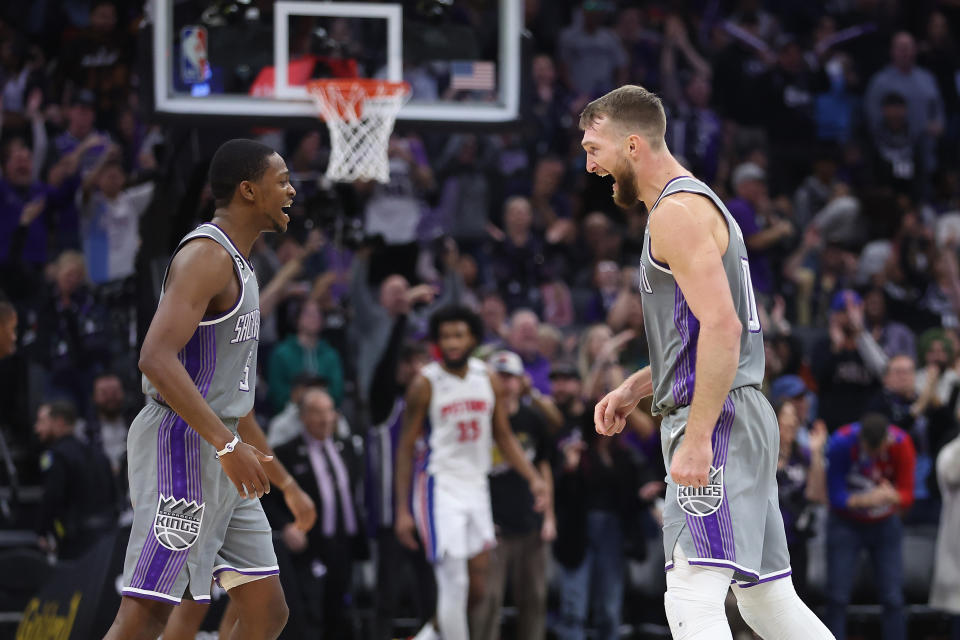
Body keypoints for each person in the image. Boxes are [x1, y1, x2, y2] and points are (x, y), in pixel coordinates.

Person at [584, 85, 833, 639]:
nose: (590, 164)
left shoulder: (675, 214)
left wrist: (697, 438)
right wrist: (636, 387)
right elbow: (709, 335)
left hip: (715, 417)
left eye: (594, 149)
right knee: (767, 598)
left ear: (631, 145)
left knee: (692, 596)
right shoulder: (696, 203)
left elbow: (722, 329)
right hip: (737, 409)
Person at [105, 139, 300, 640]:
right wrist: (227, 444)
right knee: (148, 612)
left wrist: (253, 455)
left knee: (266, 609)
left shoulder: (241, 262)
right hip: (181, 446)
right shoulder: (206, 256)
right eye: (281, 181)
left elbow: (230, 389)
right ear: (248, 190)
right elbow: (154, 357)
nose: (291, 191)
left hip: (222, 447)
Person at [394, 305, 549, 640]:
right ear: (437, 340)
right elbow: (405, 449)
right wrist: (402, 510)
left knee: (477, 588)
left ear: (473, 339)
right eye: (446, 335)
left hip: (477, 487)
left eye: (459, 335)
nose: (452, 342)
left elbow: (504, 436)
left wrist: (534, 478)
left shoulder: (487, 377)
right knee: (455, 583)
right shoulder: (425, 383)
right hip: (439, 486)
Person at [267, 388, 366, 639]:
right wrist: (287, 526)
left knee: (340, 608)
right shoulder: (285, 452)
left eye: (329, 411)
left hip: (344, 541)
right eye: (318, 413)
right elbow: (267, 498)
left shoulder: (347, 447)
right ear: (303, 417)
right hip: (309, 544)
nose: (325, 419)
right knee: (311, 609)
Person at [471, 350, 555, 640]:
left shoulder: (533, 419)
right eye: (499, 377)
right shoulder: (478, 419)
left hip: (529, 520)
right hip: (491, 525)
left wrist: (549, 517)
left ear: (521, 381)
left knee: (534, 598)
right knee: (487, 600)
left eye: (511, 378)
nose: (505, 384)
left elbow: (543, 466)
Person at [825, 412, 916, 640]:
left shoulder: (901, 443)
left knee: (893, 597)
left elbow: (907, 494)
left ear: (887, 440)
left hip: (885, 524)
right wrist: (867, 500)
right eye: (871, 450)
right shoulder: (841, 442)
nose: (876, 454)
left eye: (880, 449)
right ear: (862, 441)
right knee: (837, 597)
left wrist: (890, 496)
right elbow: (835, 496)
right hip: (845, 524)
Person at [34, 399, 116, 560]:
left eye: (44, 421)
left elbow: (52, 496)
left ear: (59, 422)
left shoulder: (56, 456)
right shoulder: (98, 454)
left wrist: (42, 532)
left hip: (75, 540)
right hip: (107, 537)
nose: (37, 428)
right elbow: (114, 494)